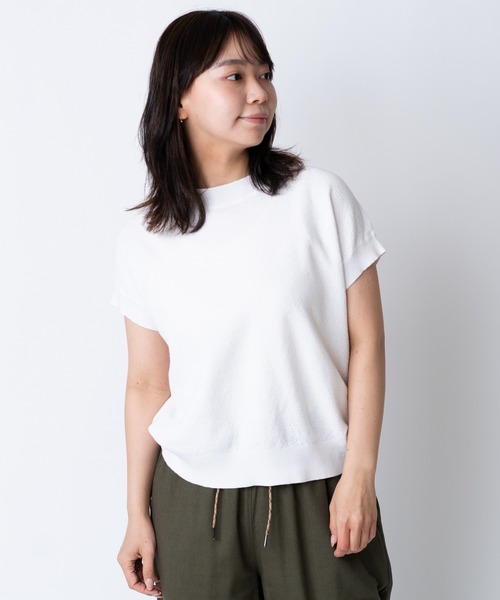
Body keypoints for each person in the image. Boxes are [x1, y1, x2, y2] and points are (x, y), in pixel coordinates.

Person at [112, 9, 392, 600]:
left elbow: (366, 343)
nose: (260, 91)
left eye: (265, 74)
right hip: (192, 497)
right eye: (234, 75)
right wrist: (137, 513)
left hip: (317, 489)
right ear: (179, 98)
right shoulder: (145, 236)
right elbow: (146, 383)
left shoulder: (319, 199)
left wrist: (360, 474)